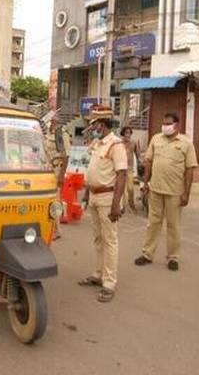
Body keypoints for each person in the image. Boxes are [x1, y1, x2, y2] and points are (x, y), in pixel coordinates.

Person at [134, 113, 197, 271]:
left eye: (168, 124)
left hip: (175, 191)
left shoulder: (186, 143)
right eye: (163, 123)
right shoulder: (156, 138)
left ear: (176, 125)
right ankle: (147, 253)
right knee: (153, 223)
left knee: (173, 226)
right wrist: (146, 183)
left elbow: (190, 170)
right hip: (155, 188)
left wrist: (186, 193)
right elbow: (148, 162)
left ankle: (173, 257)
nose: (165, 126)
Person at [78, 106, 127, 303]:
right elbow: (92, 171)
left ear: (103, 124)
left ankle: (109, 283)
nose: (92, 128)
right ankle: (98, 275)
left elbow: (122, 175)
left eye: (94, 124)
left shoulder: (116, 145)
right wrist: (86, 195)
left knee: (110, 241)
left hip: (108, 198)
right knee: (98, 239)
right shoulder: (98, 144)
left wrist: (116, 204)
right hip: (95, 196)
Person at [120, 126, 141, 212]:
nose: (128, 135)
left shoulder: (134, 143)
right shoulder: (119, 143)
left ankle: (131, 203)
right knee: (122, 188)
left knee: (130, 188)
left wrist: (140, 163)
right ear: (123, 134)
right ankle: (122, 206)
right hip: (120, 168)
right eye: (126, 133)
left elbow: (138, 155)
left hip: (129, 168)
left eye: (129, 133)